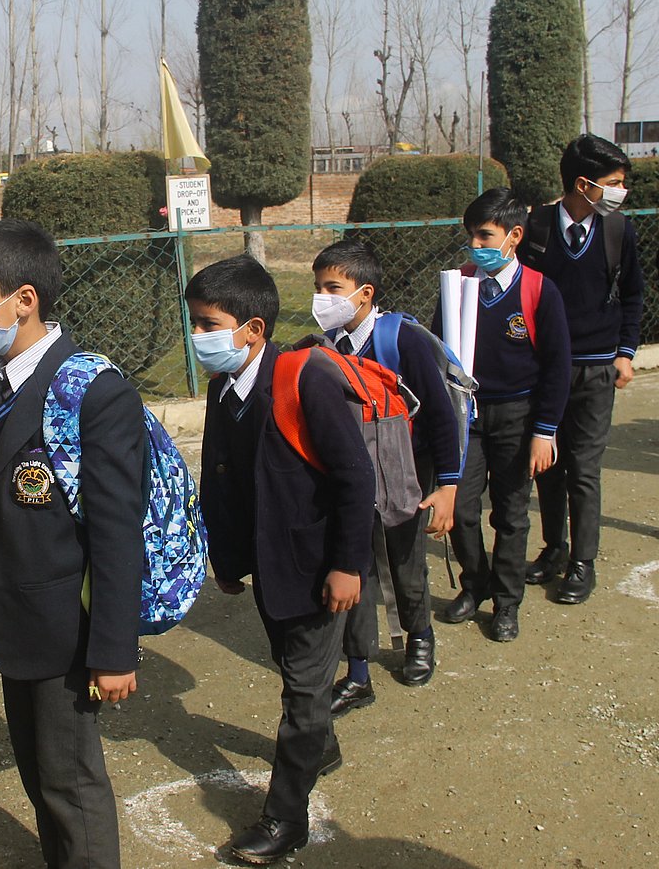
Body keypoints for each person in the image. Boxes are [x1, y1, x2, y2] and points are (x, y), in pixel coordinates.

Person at [0, 219, 147, 869]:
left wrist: (114, 649)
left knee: (71, 782)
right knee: (36, 769)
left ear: (23, 300)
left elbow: (117, 534)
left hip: (70, 626)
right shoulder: (0, 378)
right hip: (15, 614)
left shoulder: (92, 388)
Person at [187, 256, 374, 865]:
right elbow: (222, 478)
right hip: (268, 569)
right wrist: (226, 558)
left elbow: (354, 478)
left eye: (210, 324)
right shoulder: (224, 388)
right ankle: (322, 745)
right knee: (295, 671)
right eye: (194, 323)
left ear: (253, 329)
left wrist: (348, 566)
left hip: (317, 569)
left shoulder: (305, 379)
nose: (199, 337)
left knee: (301, 691)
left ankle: (285, 818)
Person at [310, 241, 461, 713]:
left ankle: (419, 637)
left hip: (404, 478)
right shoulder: (321, 349)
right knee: (352, 566)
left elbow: (440, 416)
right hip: (346, 485)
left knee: (406, 563)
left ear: (365, 292)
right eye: (317, 288)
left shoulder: (403, 341)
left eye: (333, 288)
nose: (321, 298)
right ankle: (358, 672)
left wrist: (448, 485)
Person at [436, 189, 571, 642]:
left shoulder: (538, 290)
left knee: (511, 514)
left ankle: (507, 602)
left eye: (484, 236)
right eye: (470, 236)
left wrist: (544, 431)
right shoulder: (458, 286)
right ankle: (475, 585)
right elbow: (438, 352)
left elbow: (557, 368)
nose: (475, 246)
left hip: (518, 416)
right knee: (464, 508)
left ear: (514, 236)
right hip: (468, 418)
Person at [520, 135, 645, 604]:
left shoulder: (618, 231)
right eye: (613, 183)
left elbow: (633, 294)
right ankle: (554, 549)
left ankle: (582, 562)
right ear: (582, 183)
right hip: (545, 370)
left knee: (585, 469)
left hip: (596, 371)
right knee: (547, 466)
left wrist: (626, 352)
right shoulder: (537, 227)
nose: (620, 191)